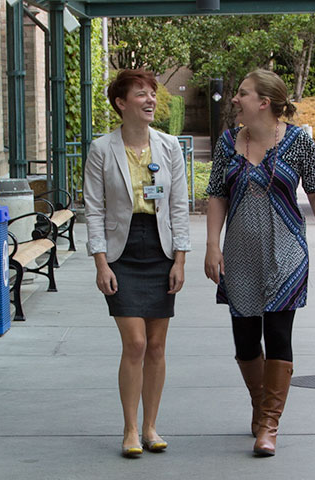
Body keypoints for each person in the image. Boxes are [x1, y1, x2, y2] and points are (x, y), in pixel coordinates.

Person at [203, 69, 315, 458]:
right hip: (240, 255)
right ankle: (259, 402)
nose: (236, 99)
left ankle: (269, 424)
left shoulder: (298, 141)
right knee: (246, 340)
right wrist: (212, 245)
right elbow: (217, 194)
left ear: (264, 103)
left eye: (243, 94)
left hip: (286, 253)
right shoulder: (229, 142)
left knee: (278, 334)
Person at [83, 69, 190, 459]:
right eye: (141, 95)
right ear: (121, 103)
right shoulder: (101, 149)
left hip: (159, 248)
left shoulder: (169, 147)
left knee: (158, 346)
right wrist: (100, 263)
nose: (150, 101)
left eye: (153, 95)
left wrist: (180, 259)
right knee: (136, 343)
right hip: (121, 252)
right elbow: (93, 209)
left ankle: (150, 427)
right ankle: (129, 428)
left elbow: (179, 206)